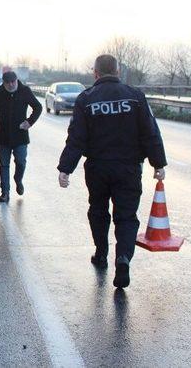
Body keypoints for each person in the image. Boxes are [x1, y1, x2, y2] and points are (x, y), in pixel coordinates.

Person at [57, 54, 167, 288]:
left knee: (98, 211)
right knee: (126, 217)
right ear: (118, 72)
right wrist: (158, 164)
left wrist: (65, 168)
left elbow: (76, 137)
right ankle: (123, 257)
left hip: (97, 168)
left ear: (95, 73)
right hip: (128, 168)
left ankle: (101, 253)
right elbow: (150, 132)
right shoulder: (135, 97)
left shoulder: (85, 99)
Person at [0, 70, 42, 203]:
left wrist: (29, 122)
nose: (11, 85)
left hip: (20, 137)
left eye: (13, 82)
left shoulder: (25, 91)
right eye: (8, 83)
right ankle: (5, 192)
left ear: (17, 80)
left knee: (21, 162)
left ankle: (18, 179)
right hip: (3, 137)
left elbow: (38, 107)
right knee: (4, 165)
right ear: (4, 83)